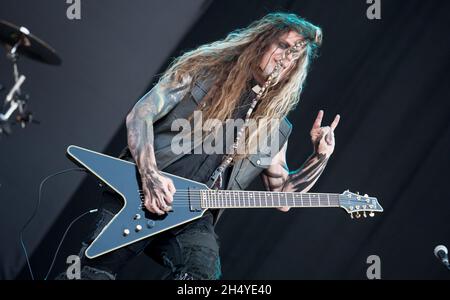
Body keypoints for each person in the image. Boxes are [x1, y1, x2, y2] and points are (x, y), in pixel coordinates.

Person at [57, 12, 340, 280]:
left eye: (294, 57)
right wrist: (151, 176)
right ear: (262, 41)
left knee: (202, 275)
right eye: (283, 46)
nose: (284, 59)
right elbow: (140, 115)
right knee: (93, 272)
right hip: (141, 187)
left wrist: (319, 157)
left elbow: (282, 197)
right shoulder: (204, 69)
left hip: (193, 215)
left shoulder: (276, 126)